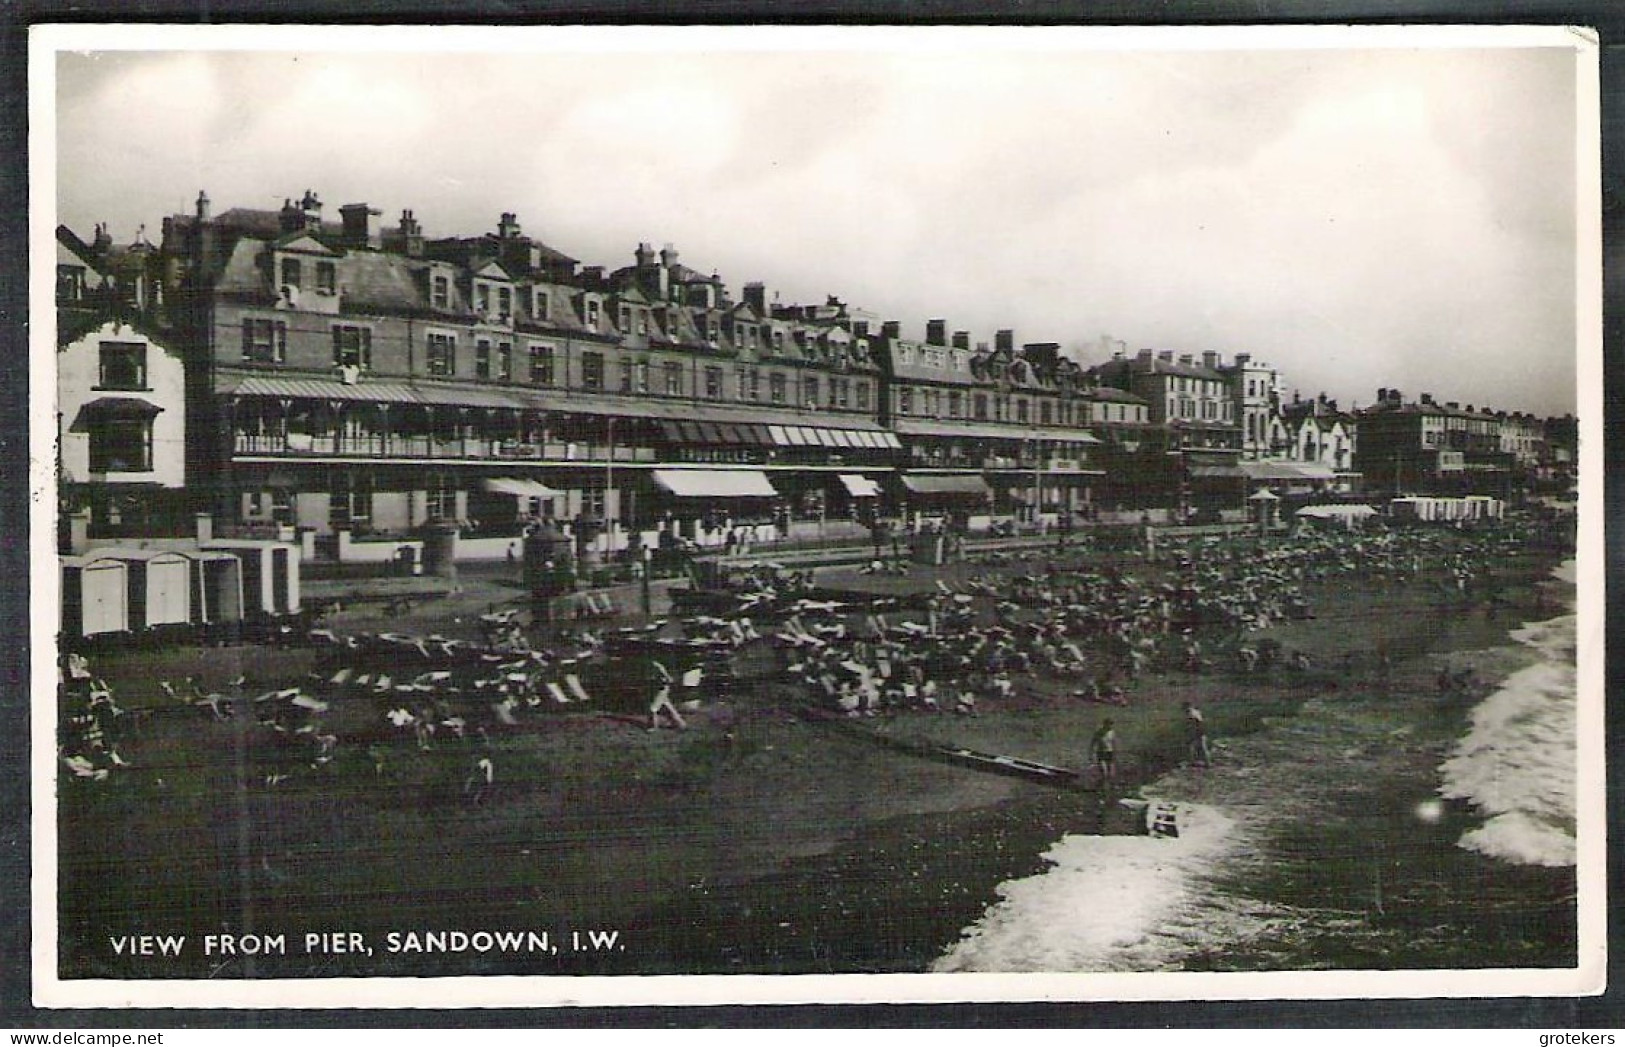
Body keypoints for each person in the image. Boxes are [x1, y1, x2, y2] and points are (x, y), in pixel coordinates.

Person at [648, 658, 687, 731]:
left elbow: (669, 678)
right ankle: (682, 723)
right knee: (669, 707)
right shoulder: (654, 665)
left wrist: (666, 679)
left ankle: (654, 727)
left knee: (653, 709)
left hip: (662, 689)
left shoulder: (657, 666)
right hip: (661, 689)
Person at [1090, 718, 1118, 790]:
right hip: (1101, 752)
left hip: (1109, 752)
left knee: (1110, 770)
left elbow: (1114, 742)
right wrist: (1091, 751)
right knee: (1103, 769)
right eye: (1109, 724)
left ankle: (1110, 785)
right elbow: (1093, 742)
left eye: (1111, 724)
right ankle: (1101, 785)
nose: (1110, 726)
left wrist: (1115, 752)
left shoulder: (1112, 732)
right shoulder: (1099, 732)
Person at [1183, 700, 1211, 767]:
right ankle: (1195, 761)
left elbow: (1196, 723)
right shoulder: (1195, 712)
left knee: (1202, 748)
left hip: (1198, 733)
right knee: (1194, 748)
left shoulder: (1192, 713)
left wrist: (1194, 732)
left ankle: (1207, 763)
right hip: (1197, 732)